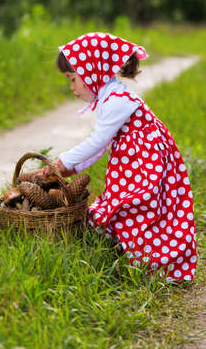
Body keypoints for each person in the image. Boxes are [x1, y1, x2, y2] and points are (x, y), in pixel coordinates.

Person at [45, 31, 197, 282]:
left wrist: (65, 161)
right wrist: (74, 167)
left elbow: (98, 140)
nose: (72, 88)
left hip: (144, 163)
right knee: (125, 202)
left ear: (92, 71)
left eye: (73, 79)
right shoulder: (110, 96)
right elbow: (103, 146)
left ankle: (155, 261)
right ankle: (122, 248)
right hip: (135, 161)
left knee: (137, 204)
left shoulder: (117, 99)